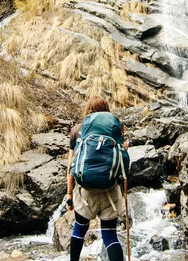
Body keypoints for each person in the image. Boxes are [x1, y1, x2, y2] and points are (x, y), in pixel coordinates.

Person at [66, 95, 126, 261]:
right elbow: (122, 159)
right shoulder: (115, 127)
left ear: (87, 110)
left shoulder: (77, 130)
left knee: (79, 231)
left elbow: (71, 167)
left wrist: (69, 195)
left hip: (85, 192)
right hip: (110, 190)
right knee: (110, 236)